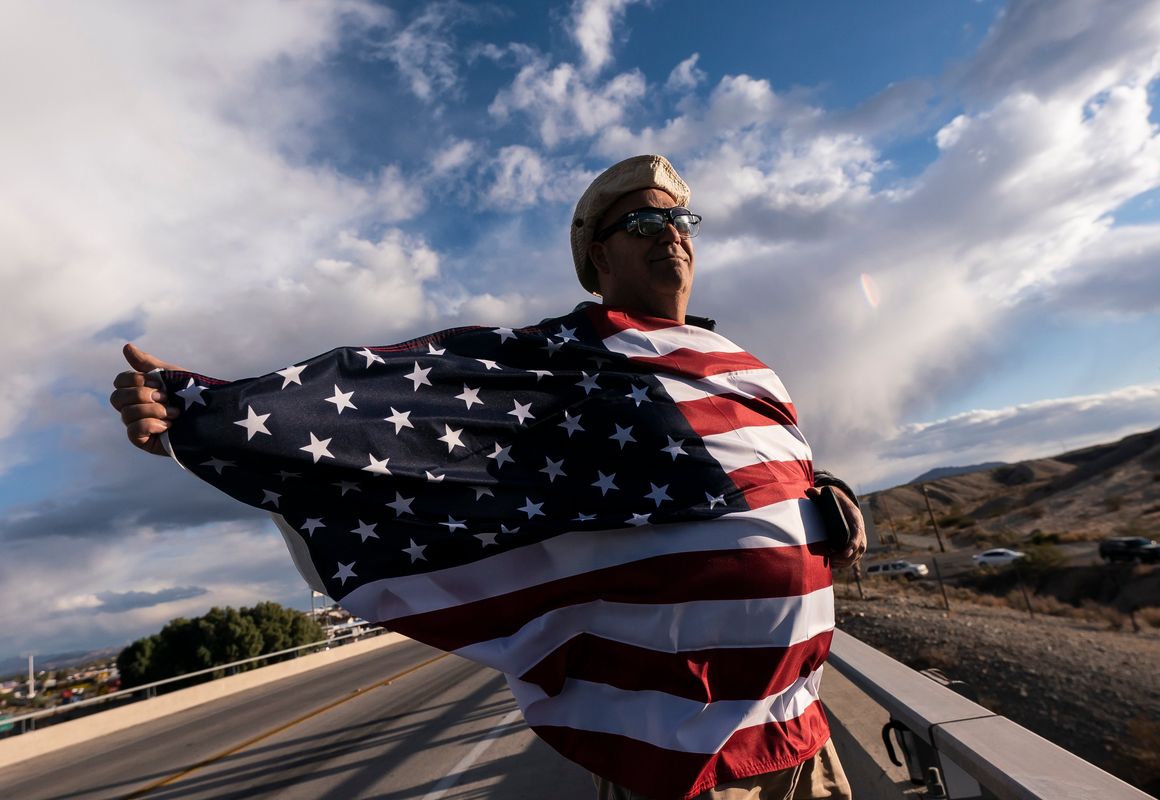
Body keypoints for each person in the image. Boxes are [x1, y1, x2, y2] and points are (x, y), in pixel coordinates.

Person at [111, 154, 866, 800]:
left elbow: (771, 475)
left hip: (799, 720)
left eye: (681, 222)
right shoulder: (567, 365)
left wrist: (827, 490)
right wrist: (204, 421)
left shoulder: (742, 366)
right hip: (686, 746)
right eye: (643, 223)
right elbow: (392, 416)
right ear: (599, 260)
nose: (670, 233)